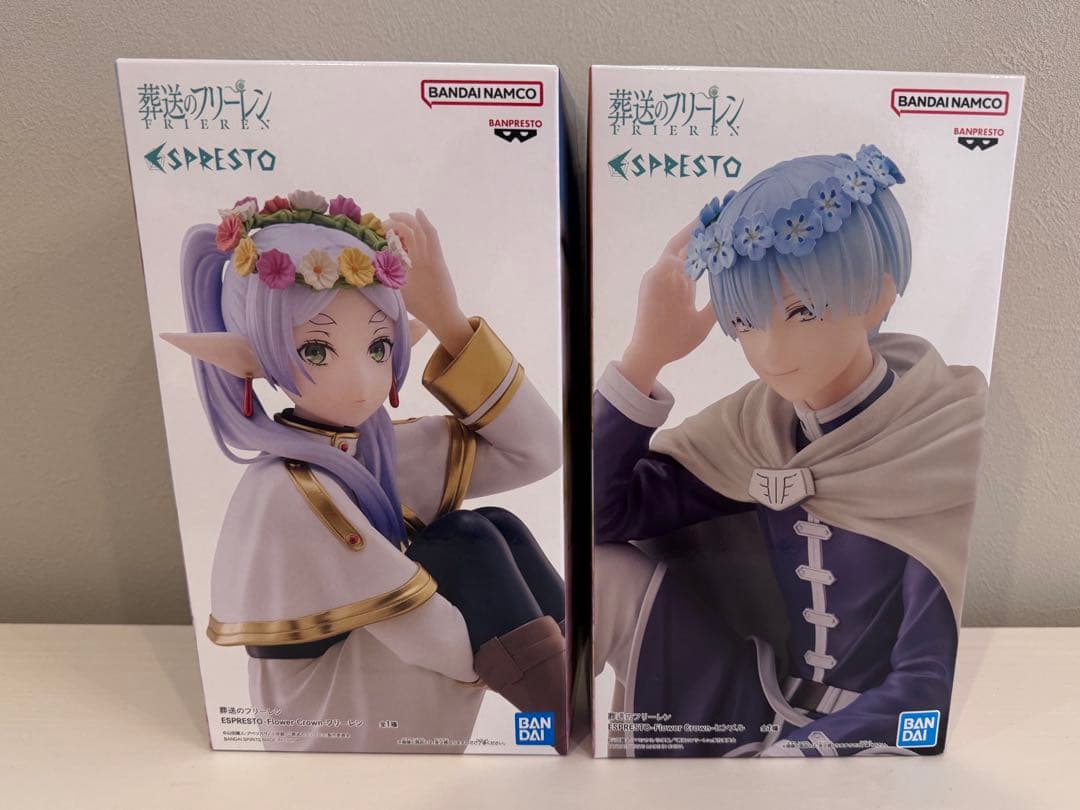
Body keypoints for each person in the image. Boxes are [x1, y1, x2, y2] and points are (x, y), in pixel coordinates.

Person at [593, 147, 987, 757]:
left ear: (879, 294)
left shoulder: (939, 440)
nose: (771, 349)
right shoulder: (752, 429)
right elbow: (600, 518)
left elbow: (924, 686)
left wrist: (801, 755)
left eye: (801, 311)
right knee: (600, 571)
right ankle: (549, 741)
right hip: (755, 702)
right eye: (748, 320)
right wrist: (646, 356)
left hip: (860, 742)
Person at [165, 191, 566, 752]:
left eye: (379, 346)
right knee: (469, 542)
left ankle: (575, 693)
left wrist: (449, 321)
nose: (360, 380)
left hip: (393, 675)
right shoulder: (286, 488)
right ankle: (566, 718)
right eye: (316, 351)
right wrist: (489, 646)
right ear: (250, 358)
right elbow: (426, 636)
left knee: (498, 526)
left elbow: (540, 451)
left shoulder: (380, 448)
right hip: (330, 720)